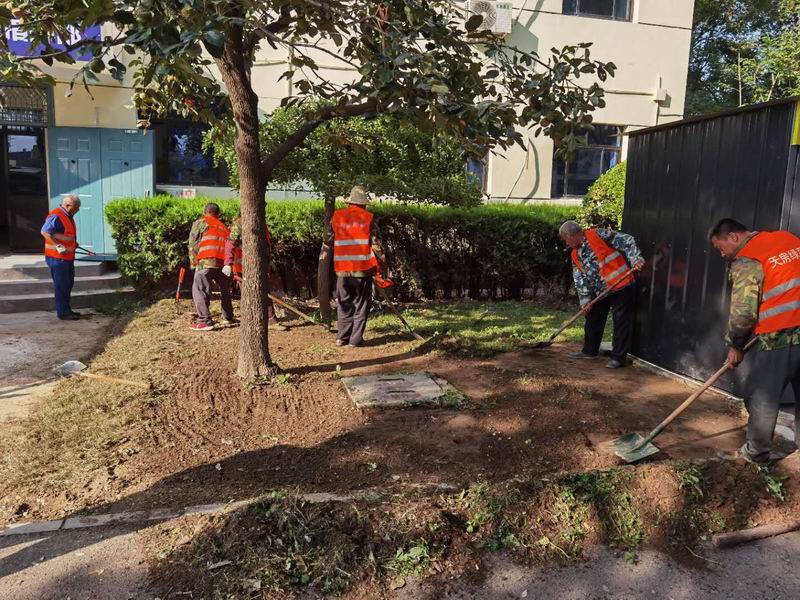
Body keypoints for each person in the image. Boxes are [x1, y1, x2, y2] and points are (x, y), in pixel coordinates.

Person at [709, 218, 800, 463]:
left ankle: (756, 453)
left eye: (720, 248)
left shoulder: (748, 260)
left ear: (734, 237)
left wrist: (736, 345)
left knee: (761, 396)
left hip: (781, 336)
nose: (722, 254)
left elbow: (743, 312)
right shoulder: (787, 238)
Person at [559, 220, 645, 368]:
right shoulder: (575, 255)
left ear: (572, 235)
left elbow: (627, 240)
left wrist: (635, 258)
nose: (566, 243)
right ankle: (589, 351)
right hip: (601, 291)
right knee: (593, 318)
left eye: (566, 240)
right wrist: (585, 301)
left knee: (620, 321)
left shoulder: (598, 235)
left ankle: (618, 358)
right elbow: (580, 279)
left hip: (620, 285)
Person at [332, 185, 386, 347]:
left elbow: (328, 238)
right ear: (363, 203)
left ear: (350, 202)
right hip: (362, 270)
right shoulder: (368, 219)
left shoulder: (337, 217)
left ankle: (342, 338)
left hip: (342, 270)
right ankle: (355, 340)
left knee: (344, 303)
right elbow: (377, 247)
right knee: (361, 305)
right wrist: (382, 267)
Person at [223, 217, 287, 331]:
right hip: (243, 268)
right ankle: (252, 322)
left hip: (259, 267)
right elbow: (230, 244)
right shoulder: (240, 223)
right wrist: (228, 263)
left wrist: (269, 262)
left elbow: (266, 246)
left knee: (265, 292)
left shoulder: (262, 224)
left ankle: (271, 321)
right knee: (249, 295)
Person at [187, 203, 235, 331]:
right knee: (225, 290)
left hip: (206, 261)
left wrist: (194, 263)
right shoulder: (224, 227)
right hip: (223, 264)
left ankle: (205, 321)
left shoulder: (201, 223)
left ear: (205, 212)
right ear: (218, 214)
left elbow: (193, 244)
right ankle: (228, 317)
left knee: (199, 288)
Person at [41, 195, 81, 321]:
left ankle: (67, 310)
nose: (78, 210)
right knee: (62, 285)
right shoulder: (57, 215)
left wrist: (73, 244)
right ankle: (63, 313)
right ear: (67, 205)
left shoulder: (67, 215)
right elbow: (45, 232)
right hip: (57, 258)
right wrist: (58, 246)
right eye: (76, 208)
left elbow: (65, 235)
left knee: (67, 284)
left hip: (66, 257)